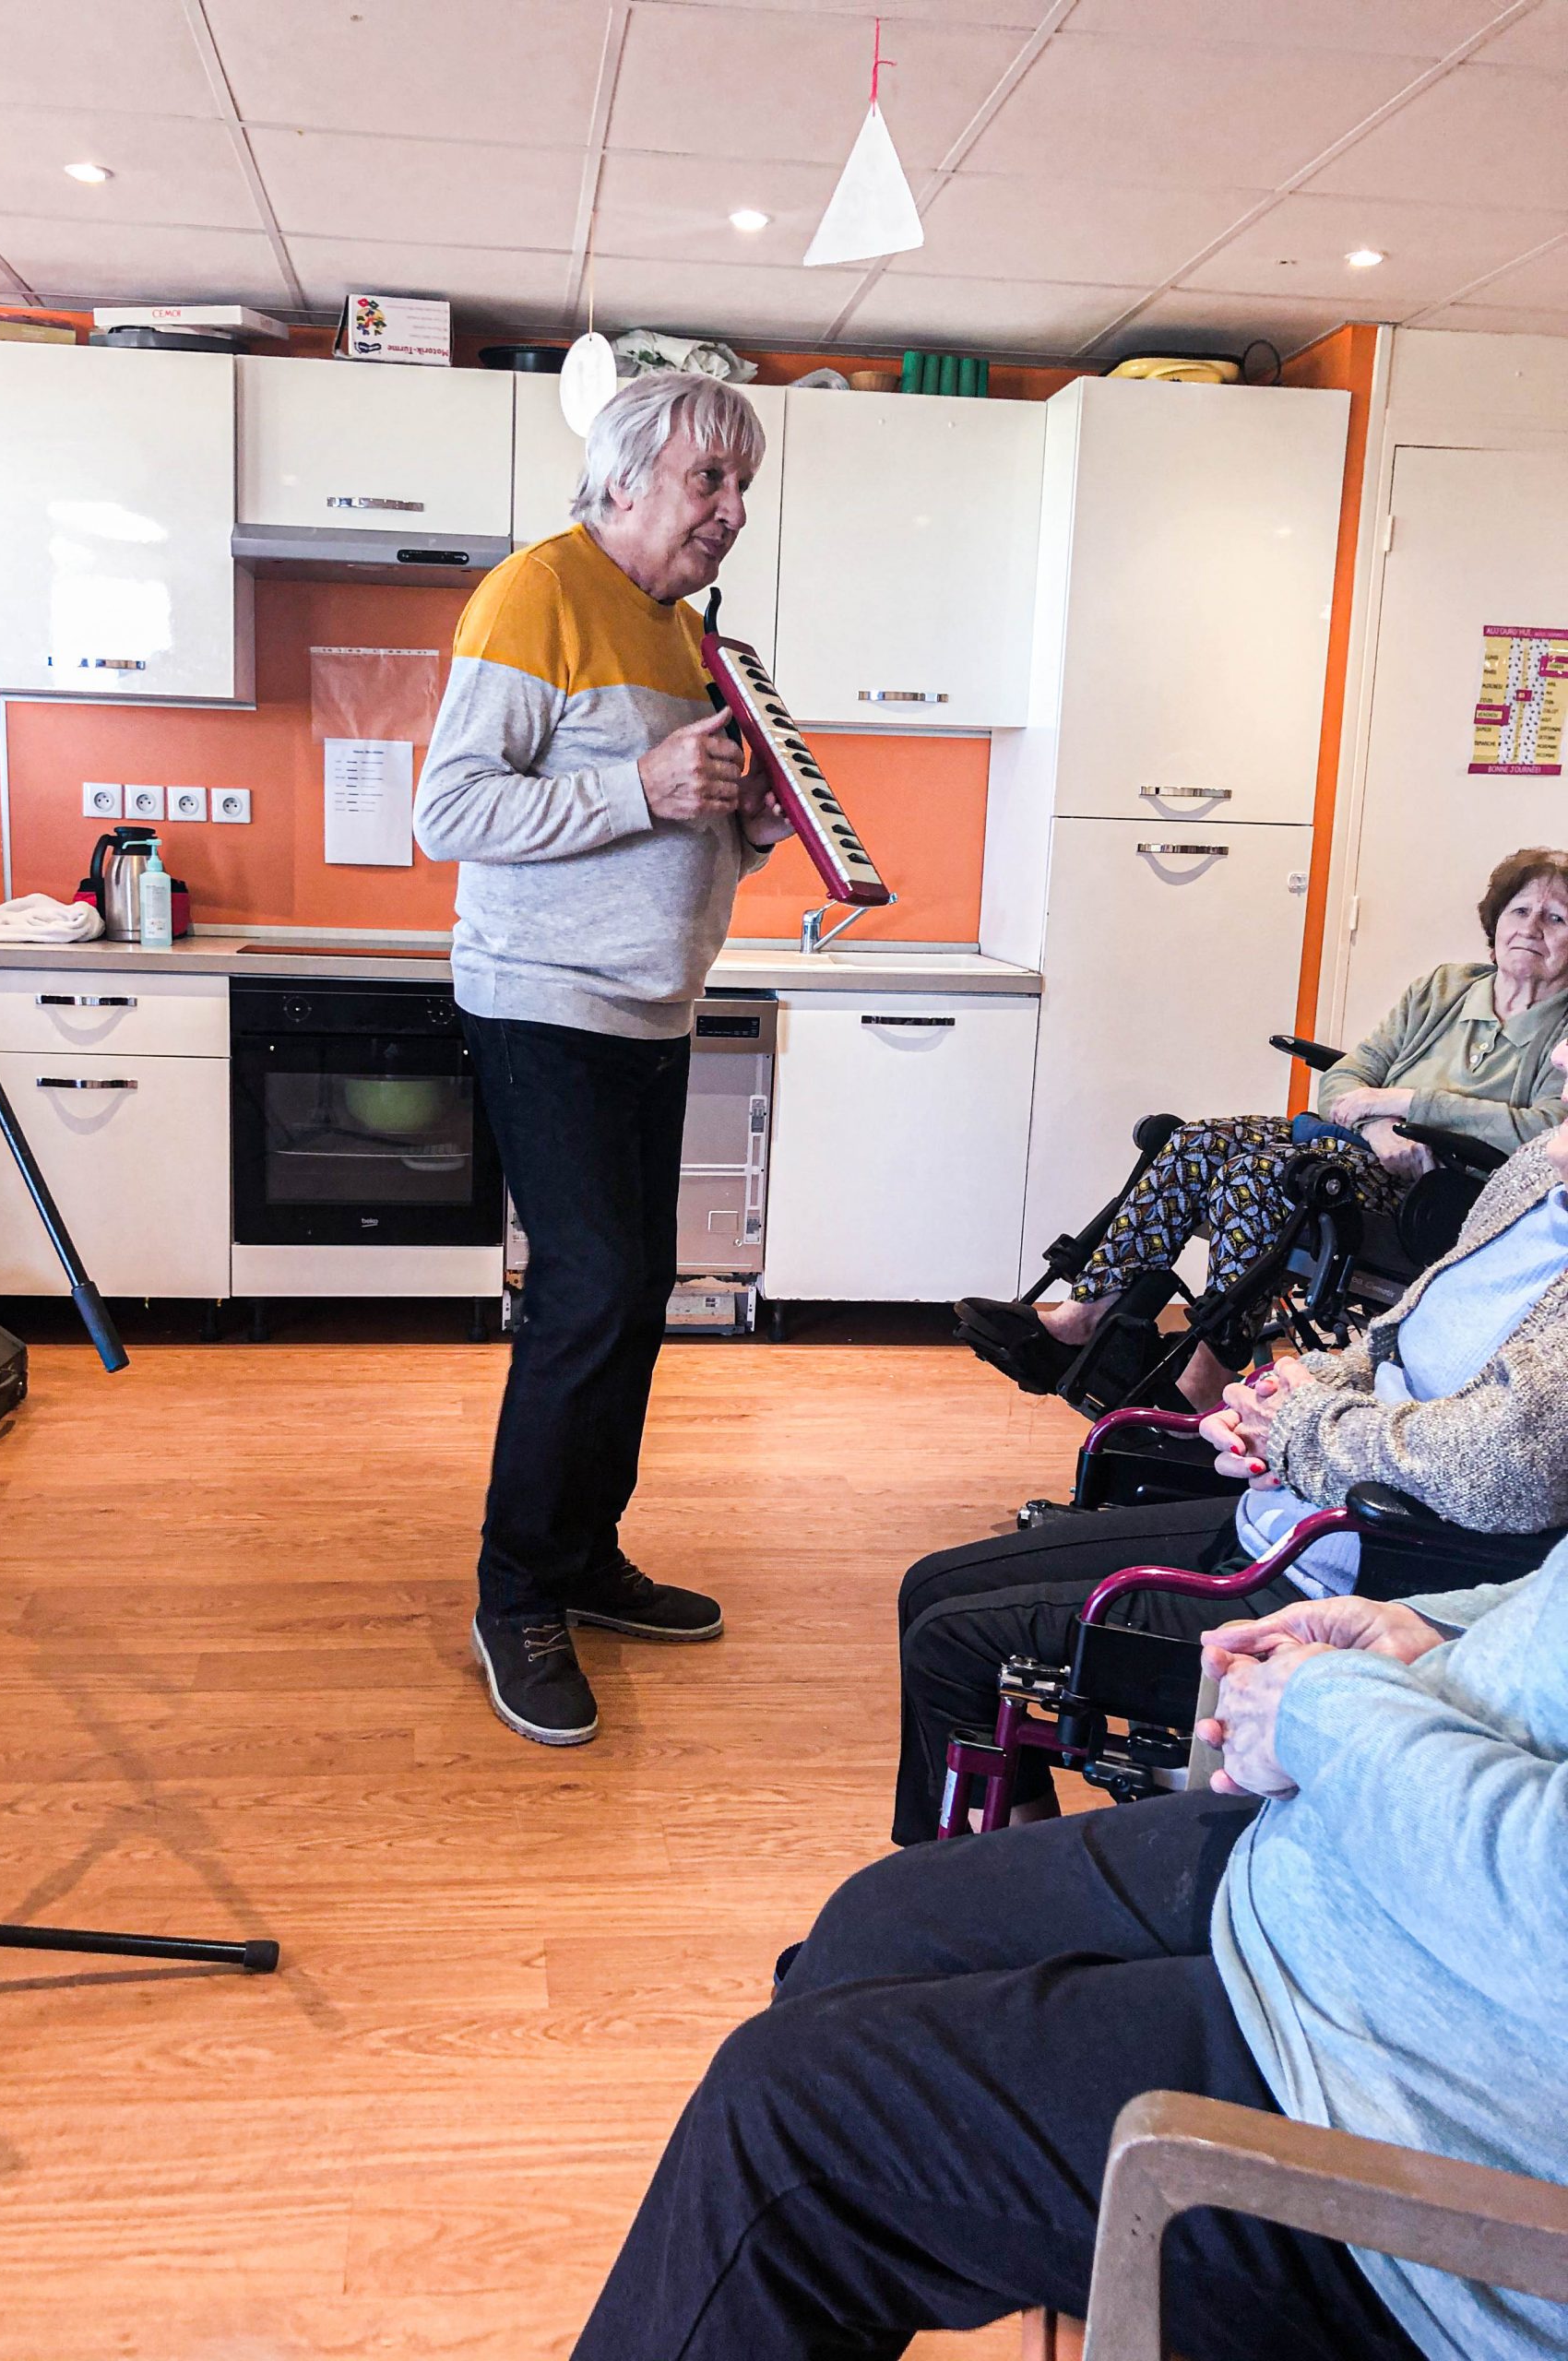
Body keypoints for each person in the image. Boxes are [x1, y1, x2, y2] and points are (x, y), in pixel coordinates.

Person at [571, 1542, 1568, 2361]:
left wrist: (1321, 1709)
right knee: (877, 1923)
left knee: (783, 2122)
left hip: (1436, 2129)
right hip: (1352, 1888)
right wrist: (1432, 1632)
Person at [890, 1050, 1568, 1844]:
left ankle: (977, 1887)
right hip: (1292, 1506)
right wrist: (1289, 1385)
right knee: (929, 1588)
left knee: (951, 1639)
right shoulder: (1539, 1177)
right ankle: (1105, 1315)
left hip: (1357, 1566)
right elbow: (1394, 1340)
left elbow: (1514, 1472)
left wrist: (1302, 1429)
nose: (1558, 1051)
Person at [414, 372, 791, 1749]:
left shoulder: (690, 633)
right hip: (541, 996)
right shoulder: (538, 592)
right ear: (627, 476)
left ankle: (583, 1556)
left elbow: (699, 820)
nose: (734, 511)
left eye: (744, 487)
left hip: (650, 1005)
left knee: (639, 1291)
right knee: (587, 1292)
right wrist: (642, 785)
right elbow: (450, 807)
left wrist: (746, 813)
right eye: (712, 481)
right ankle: (513, 1585)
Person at [959, 847, 1568, 1410]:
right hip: (1359, 1149)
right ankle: (1082, 1320)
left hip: (1444, 1192)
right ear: (1495, 923)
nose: (1532, 928)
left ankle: (1205, 1380)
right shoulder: (1443, 988)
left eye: (1556, 918)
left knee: (1264, 1176)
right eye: (1521, 910)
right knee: (1192, 1143)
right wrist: (1381, 1123)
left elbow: (1544, 1129)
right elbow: (1350, 1074)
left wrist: (1410, 1103)